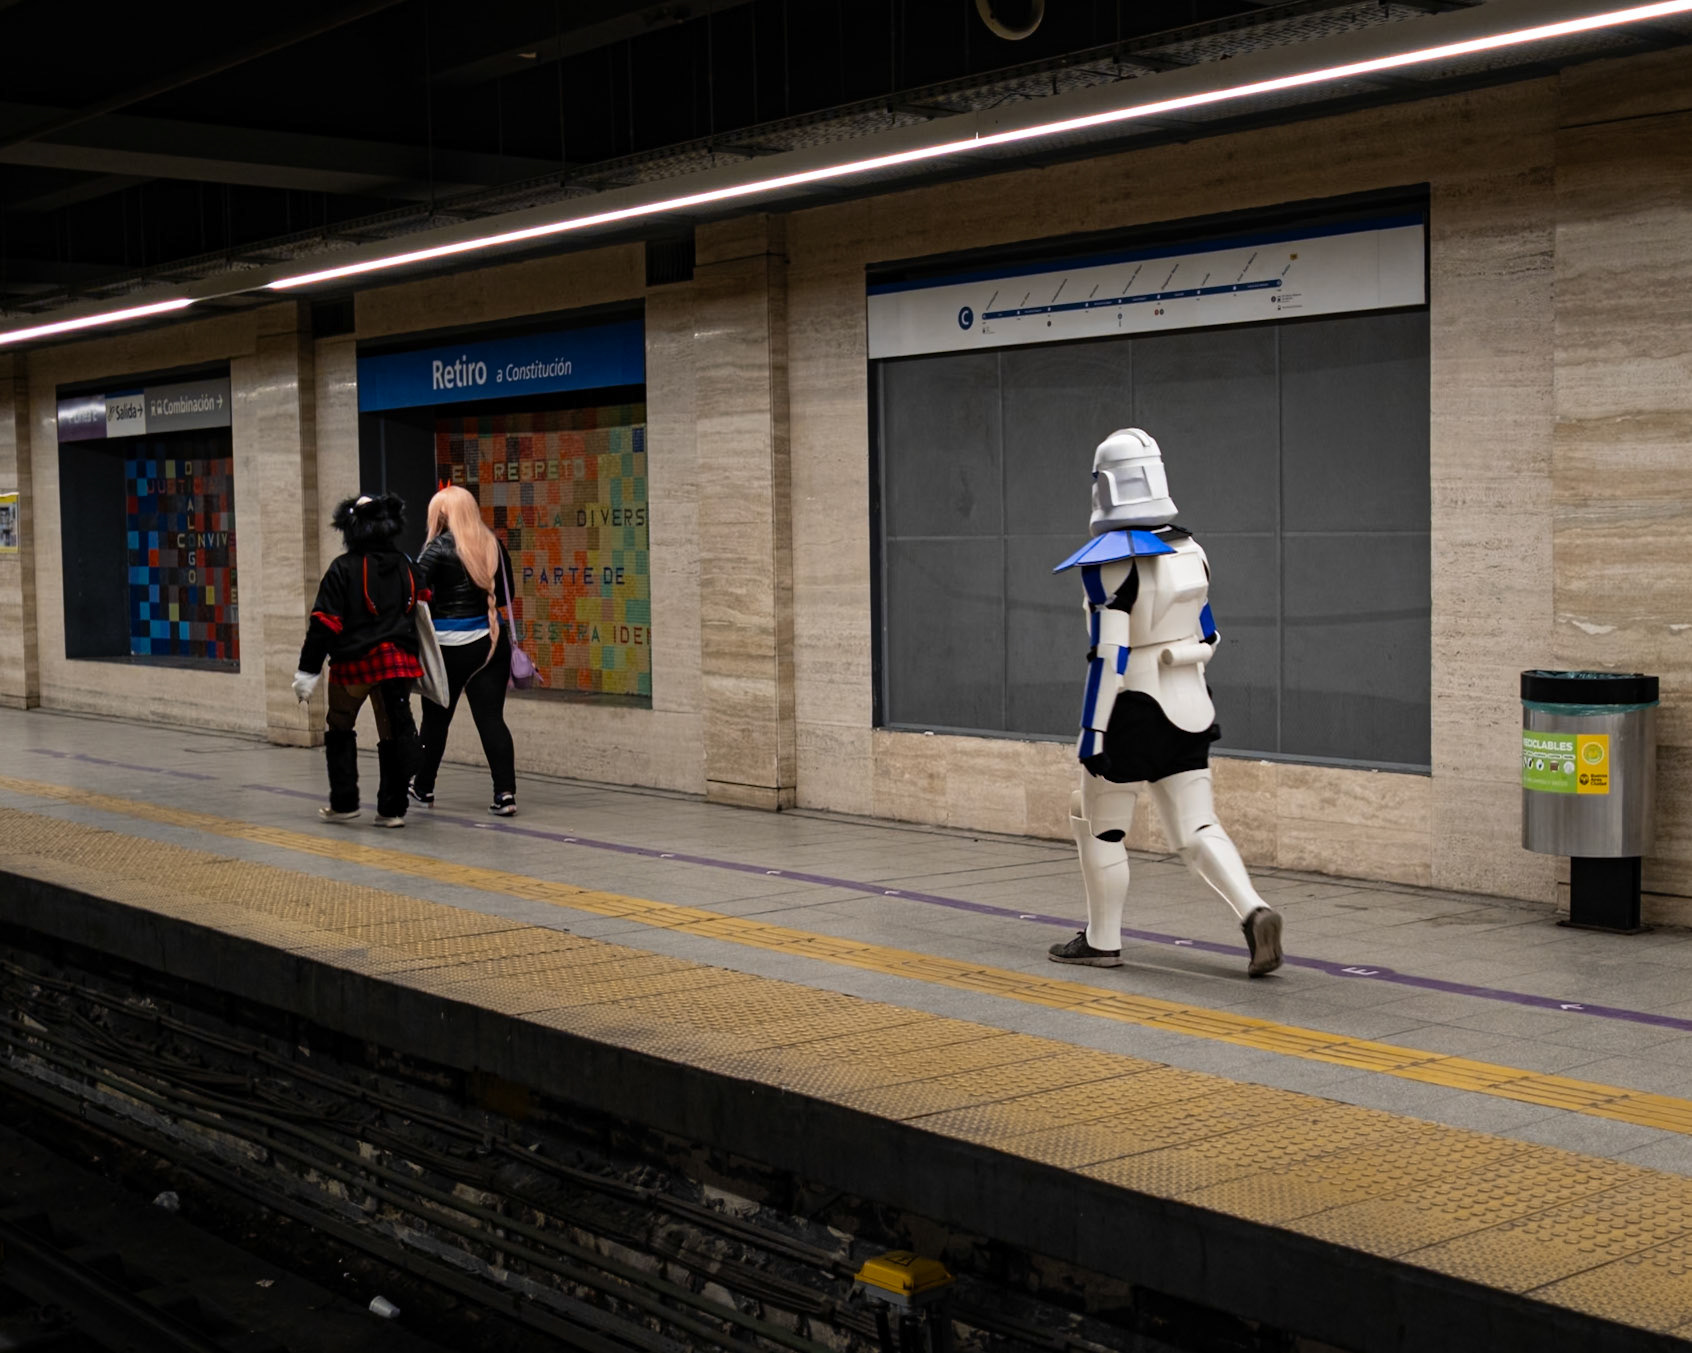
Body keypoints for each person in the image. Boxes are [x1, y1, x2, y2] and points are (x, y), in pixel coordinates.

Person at [1048, 428, 1283, 977]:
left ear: (1105, 485)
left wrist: (1092, 733)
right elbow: (1210, 634)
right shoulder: (1192, 551)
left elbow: (1109, 654)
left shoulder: (1111, 562)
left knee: (1100, 825)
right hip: (1191, 705)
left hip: (1133, 709)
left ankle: (1102, 939)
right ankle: (1253, 910)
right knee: (1197, 826)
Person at [292, 493, 424, 828]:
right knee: (393, 733)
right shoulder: (407, 565)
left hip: (353, 665)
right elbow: (424, 609)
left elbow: (324, 624)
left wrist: (308, 671)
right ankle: (392, 810)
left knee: (340, 726)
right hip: (398, 664)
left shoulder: (342, 568)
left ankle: (344, 802)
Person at [409, 484, 518, 816]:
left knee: (435, 721)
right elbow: (507, 595)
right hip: (491, 644)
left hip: (446, 649)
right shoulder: (493, 544)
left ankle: (423, 787)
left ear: (441, 515)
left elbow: (412, 592)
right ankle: (505, 794)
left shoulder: (436, 548)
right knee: (491, 719)